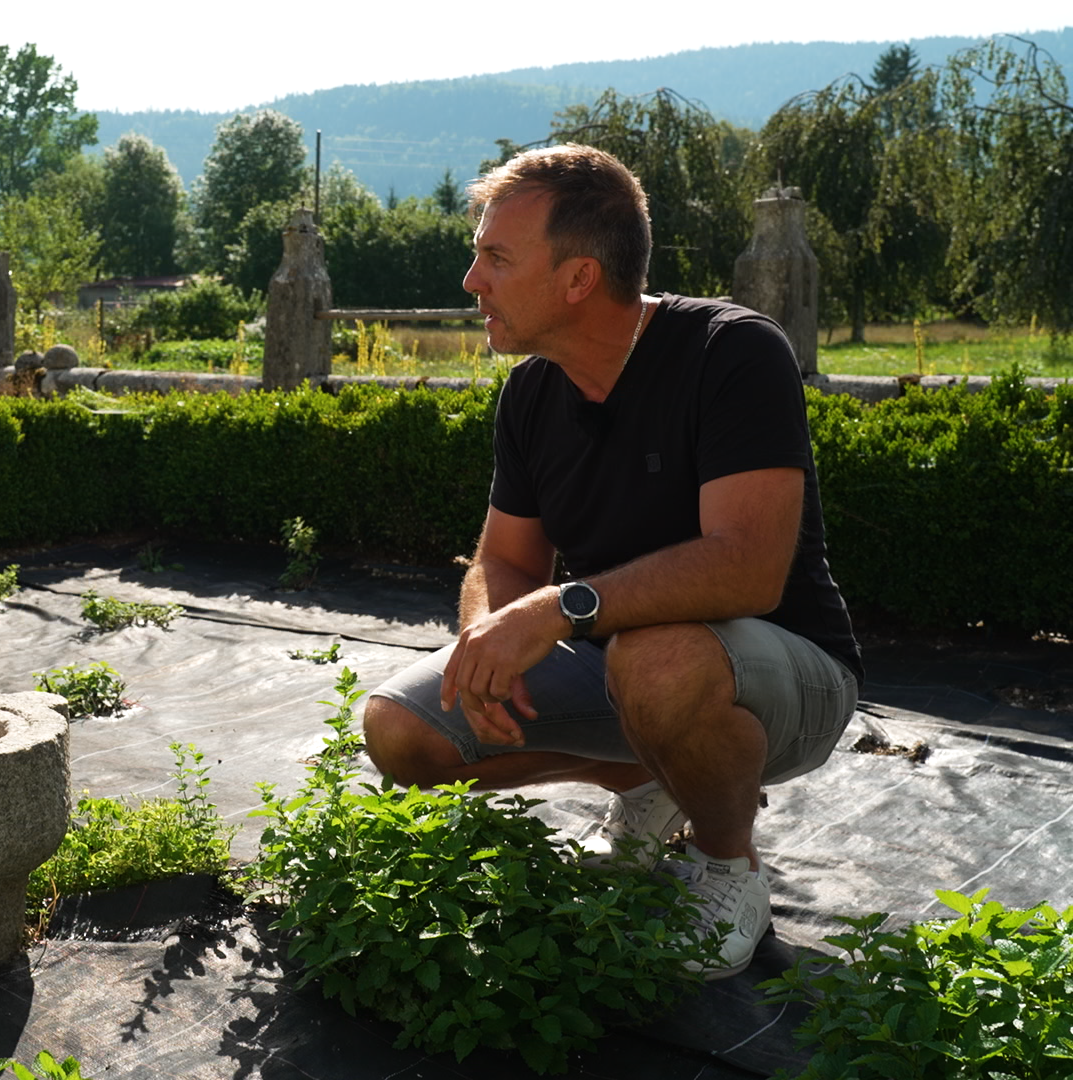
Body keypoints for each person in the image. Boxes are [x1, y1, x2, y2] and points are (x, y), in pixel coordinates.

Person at [361, 145, 862, 980]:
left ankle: (725, 867)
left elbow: (748, 570)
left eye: (494, 256)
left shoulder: (732, 353)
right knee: (403, 727)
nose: (470, 281)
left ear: (578, 278)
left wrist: (553, 612)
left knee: (657, 657)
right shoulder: (532, 392)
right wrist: (490, 642)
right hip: (625, 673)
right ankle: (654, 780)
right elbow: (505, 557)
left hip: (786, 675)